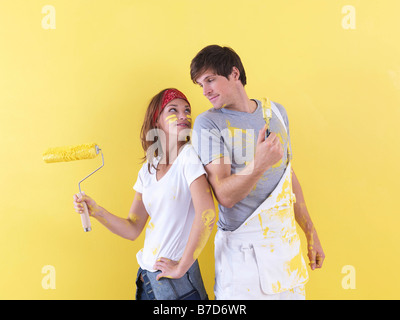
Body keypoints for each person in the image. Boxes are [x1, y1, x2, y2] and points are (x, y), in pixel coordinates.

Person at [190, 45, 325, 300]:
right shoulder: (208, 123)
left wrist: (310, 231)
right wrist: (259, 163)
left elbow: (287, 177)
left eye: (210, 80)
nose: (205, 91)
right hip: (243, 261)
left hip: (286, 252)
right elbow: (224, 195)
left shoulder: (276, 113)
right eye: (201, 84)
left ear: (234, 73)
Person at [73, 88, 216, 300]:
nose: (183, 116)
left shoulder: (189, 158)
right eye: (173, 110)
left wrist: (181, 267)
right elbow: (132, 228)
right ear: (156, 120)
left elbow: (207, 214)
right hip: (147, 281)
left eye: (187, 110)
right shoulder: (149, 168)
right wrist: (96, 211)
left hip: (178, 286)